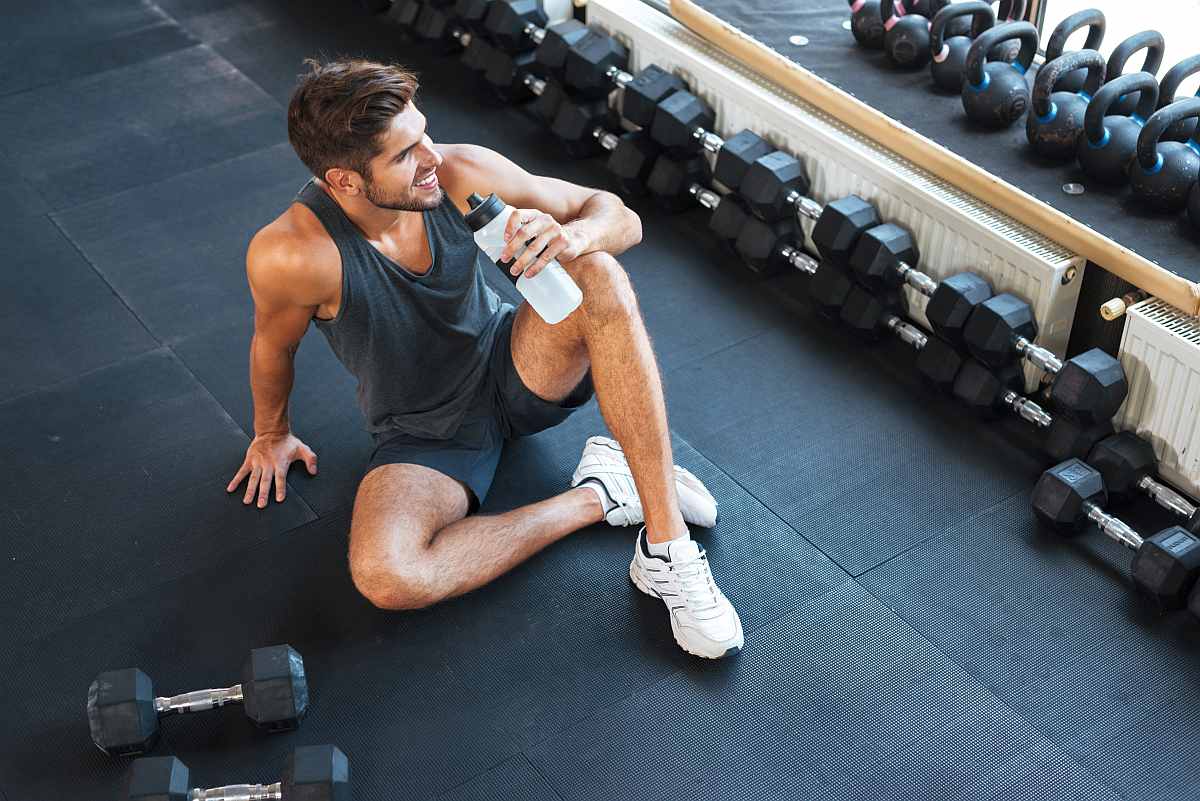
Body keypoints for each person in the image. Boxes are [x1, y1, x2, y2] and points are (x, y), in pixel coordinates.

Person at [226, 57, 742, 659]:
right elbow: (273, 345)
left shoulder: (458, 170)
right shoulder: (293, 254)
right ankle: (601, 493)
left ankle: (666, 546)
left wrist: (573, 238)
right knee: (388, 576)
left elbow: (617, 215)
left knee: (598, 271)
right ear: (343, 180)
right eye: (404, 154)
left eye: (424, 133)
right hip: (423, 431)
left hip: (515, 366)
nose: (431, 158)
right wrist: (271, 434)